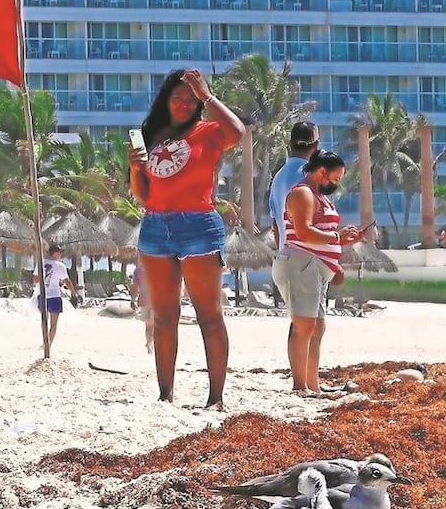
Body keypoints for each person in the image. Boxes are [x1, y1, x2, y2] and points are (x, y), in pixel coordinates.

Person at [128, 68, 245, 408]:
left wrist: (207, 96)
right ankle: (165, 395)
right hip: (155, 226)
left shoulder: (209, 131)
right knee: (164, 317)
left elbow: (237, 131)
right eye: (177, 97)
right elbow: (144, 196)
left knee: (209, 314)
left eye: (190, 100)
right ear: (167, 99)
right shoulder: (153, 133)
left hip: (199, 226)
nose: (183, 104)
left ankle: (216, 398)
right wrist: (136, 169)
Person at [272, 149, 362, 395]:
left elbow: (320, 231)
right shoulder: (303, 193)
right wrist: (337, 237)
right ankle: (300, 386)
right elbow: (303, 231)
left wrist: (341, 240)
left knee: (317, 326)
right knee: (304, 325)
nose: (337, 183)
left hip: (315, 267)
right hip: (302, 263)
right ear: (322, 172)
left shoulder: (318, 195)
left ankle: (313, 385)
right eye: (336, 177)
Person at [269, 122, 320, 254]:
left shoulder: (278, 178)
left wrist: (282, 252)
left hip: (285, 257)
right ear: (316, 146)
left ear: (290, 144)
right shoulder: (313, 177)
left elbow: (276, 224)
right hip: (308, 258)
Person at [32, 243, 78, 347]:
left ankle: (45, 343)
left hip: (42, 296)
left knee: (45, 321)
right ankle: (48, 345)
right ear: (55, 253)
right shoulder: (60, 266)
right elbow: (67, 281)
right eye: (60, 252)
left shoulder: (41, 263)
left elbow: (34, 280)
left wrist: (44, 278)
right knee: (53, 324)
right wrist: (73, 293)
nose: (61, 254)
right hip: (54, 297)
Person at [129, 262, 154, 353]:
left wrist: (133, 300)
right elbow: (135, 287)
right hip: (150, 301)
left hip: (146, 301)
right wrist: (132, 300)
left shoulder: (138, 270)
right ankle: (149, 343)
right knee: (150, 324)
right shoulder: (140, 270)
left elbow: (135, 287)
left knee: (150, 323)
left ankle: (150, 343)